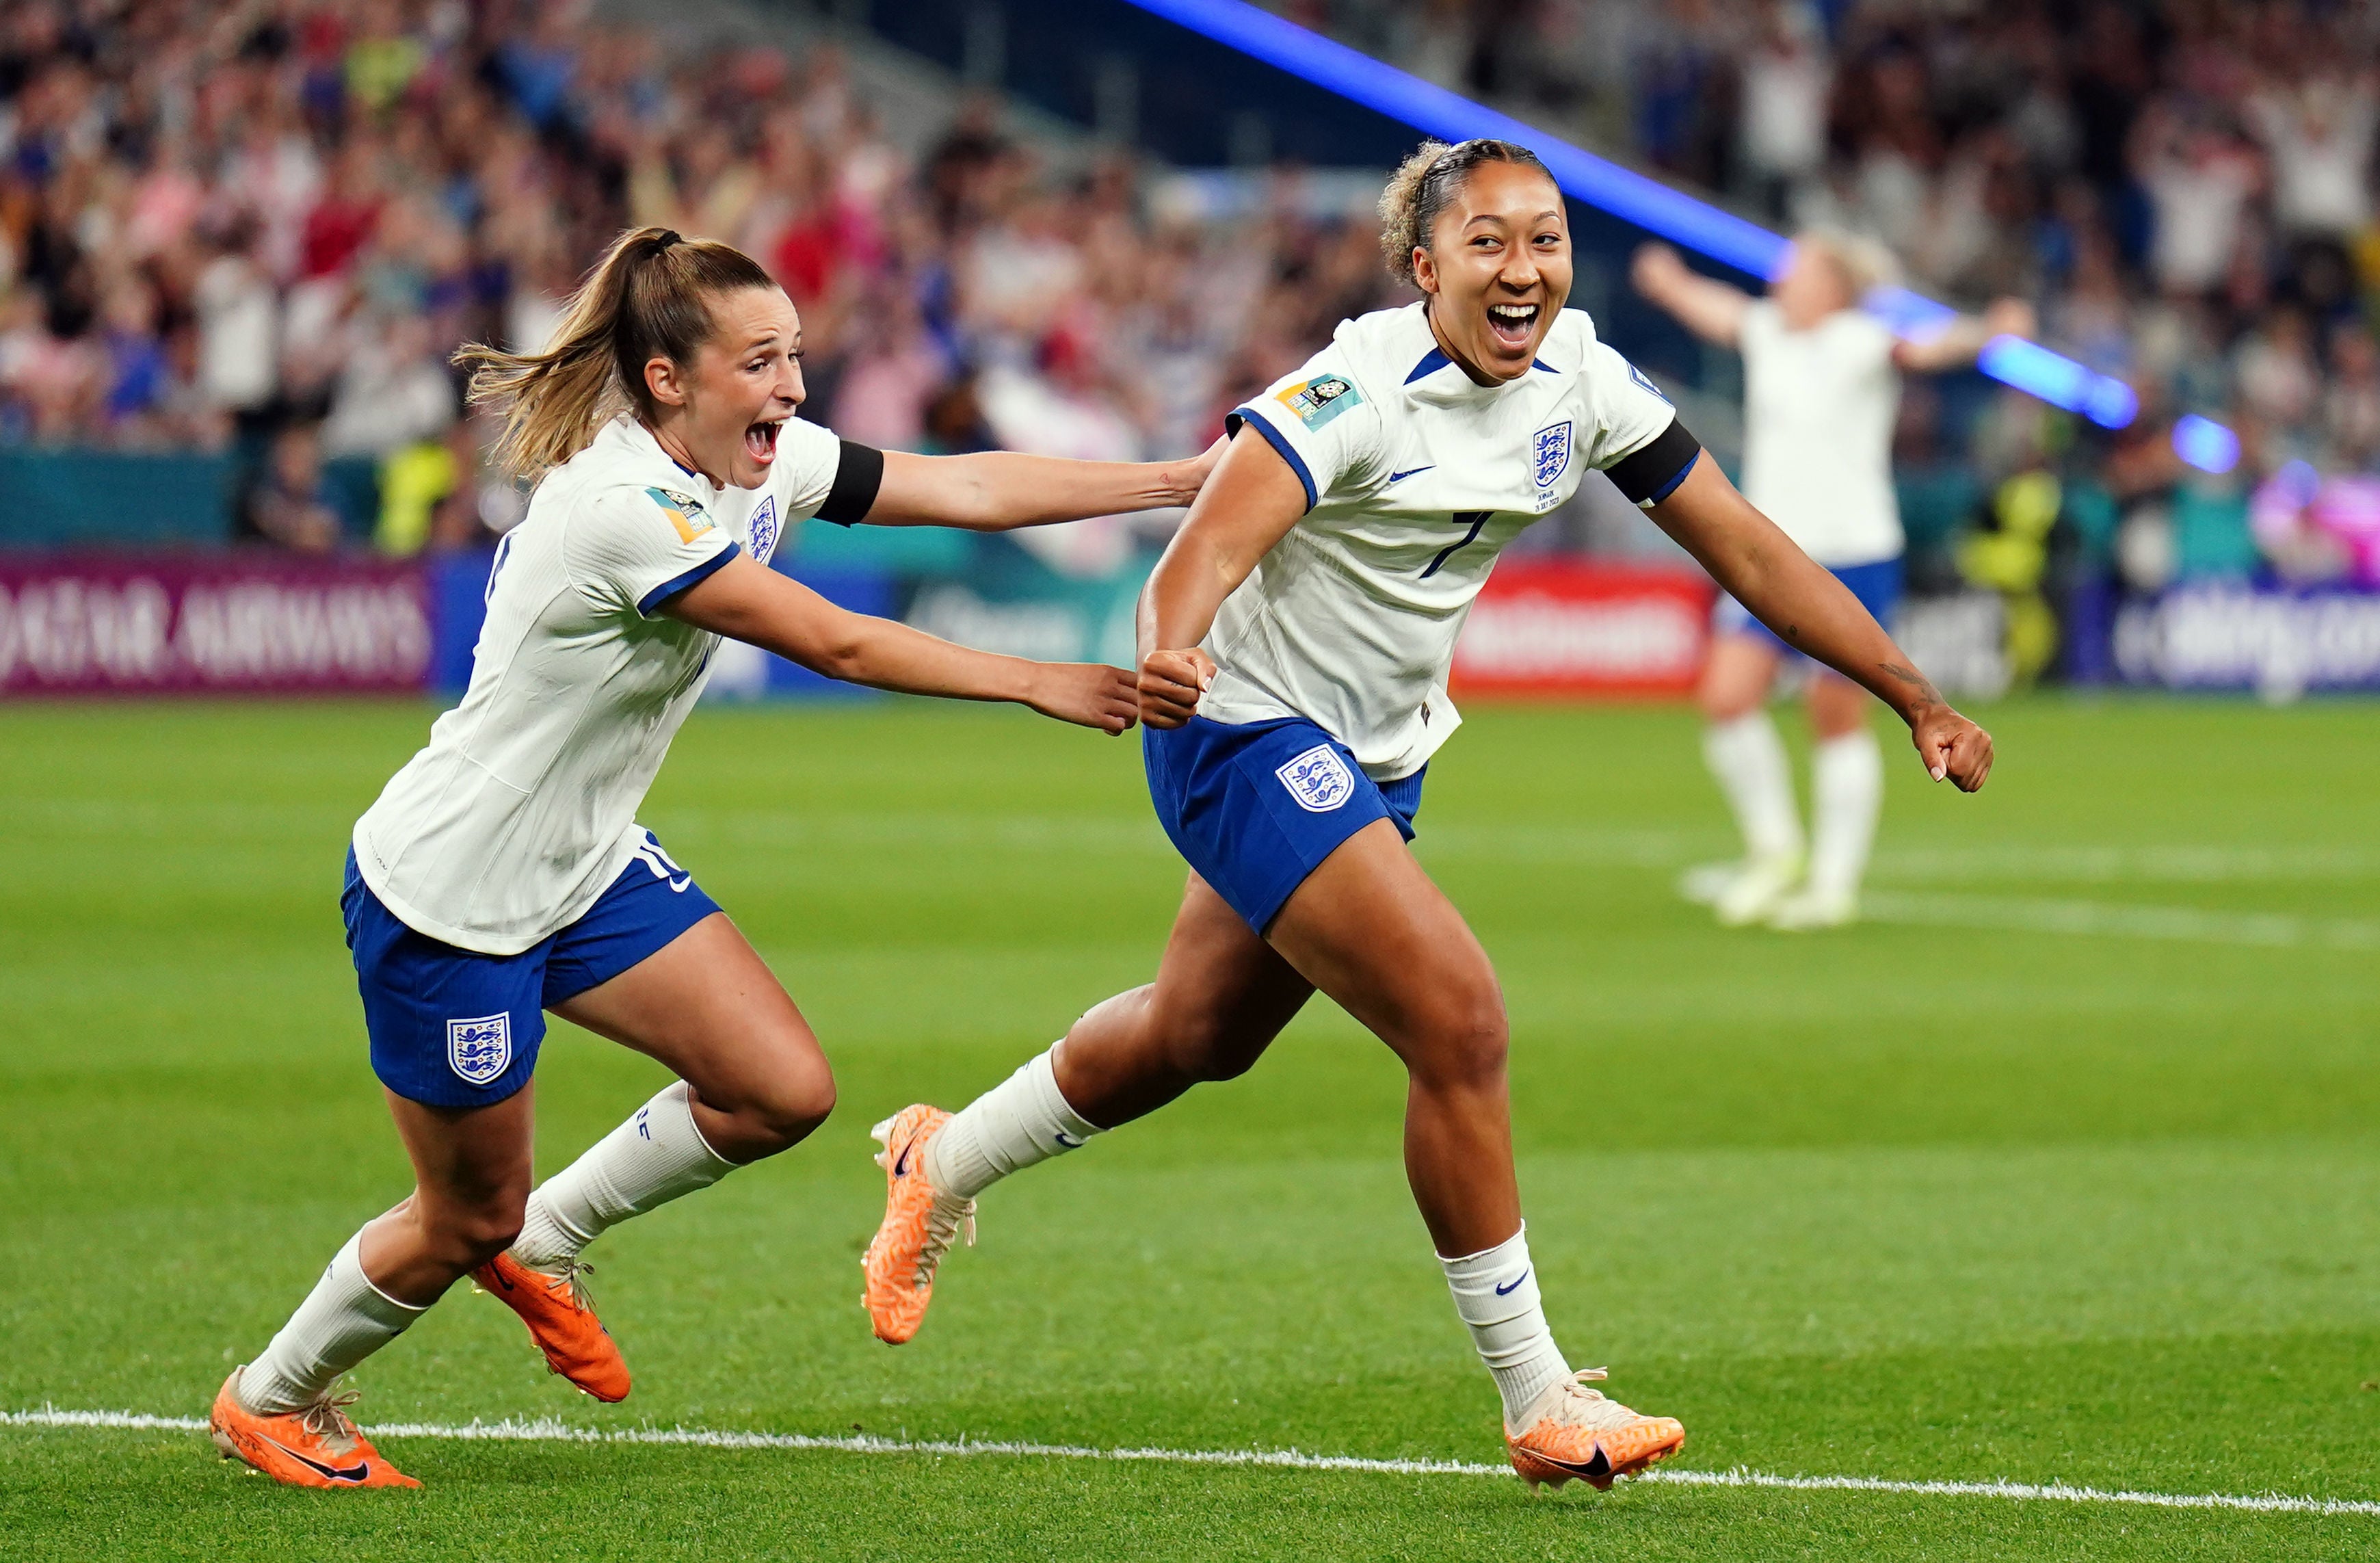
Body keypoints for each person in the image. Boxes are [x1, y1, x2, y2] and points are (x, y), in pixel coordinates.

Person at [859, 142, 1994, 1492]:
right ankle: (1537, 1391)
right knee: (1459, 1015)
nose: (1525, 269)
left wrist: (1911, 692)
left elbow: (1746, 547)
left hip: (1381, 753)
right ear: (1426, 266)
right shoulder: (1348, 390)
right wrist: (1170, 648)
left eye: (1547, 240)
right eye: (1490, 244)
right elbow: (1202, 551)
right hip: (1240, 729)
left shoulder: (1587, 376)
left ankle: (943, 1152)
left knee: (1197, 1033)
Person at [206, 226, 1219, 1489]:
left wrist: (1176, 480)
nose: (793, 386)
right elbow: (833, 643)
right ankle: (275, 1396)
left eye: (794, 355)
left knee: (778, 1088)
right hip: (452, 897)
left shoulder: (765, 459)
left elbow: (963, 488)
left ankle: (554, 1238)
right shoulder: (622, 506)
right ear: (668, 378)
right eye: (760, 362)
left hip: (583, 867)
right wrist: (1039, 681)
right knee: (464, 1213)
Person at [1632, 232, 2029, 928]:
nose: (1782, 279)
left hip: (1853, 552)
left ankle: (1832, 883)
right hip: (1768, 556)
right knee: (1726, 697)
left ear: (1836, 288)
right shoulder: (1766, 332)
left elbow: (1927, 347)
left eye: (1800, 270)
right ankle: (1776, 849)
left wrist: (1989, 334)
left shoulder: (1859, 340)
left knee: (1834, 716)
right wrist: (1670, 285)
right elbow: (1719, 307)